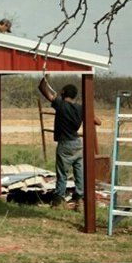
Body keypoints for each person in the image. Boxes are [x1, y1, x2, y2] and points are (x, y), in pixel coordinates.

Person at [37, 76, 102, 207]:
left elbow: (42, 89)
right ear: (74, 96)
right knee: (79, 173)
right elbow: (98, 121)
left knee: (62, 174)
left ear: (62, 93)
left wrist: (45, 76)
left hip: (65, 144)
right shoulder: (80, 108)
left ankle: (58, 201)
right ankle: (79, 199)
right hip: (77, 143)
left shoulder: (60, 104)